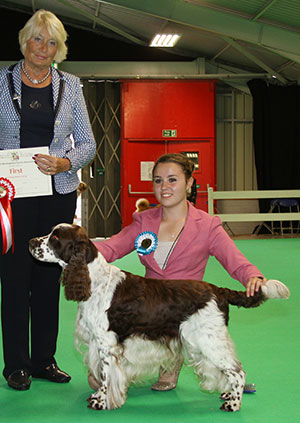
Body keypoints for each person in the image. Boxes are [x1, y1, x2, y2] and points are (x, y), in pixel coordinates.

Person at [94, 153, 266, 392]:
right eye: (158, 180)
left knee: (190, 354)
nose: (164, 187)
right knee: (97, 377)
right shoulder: (143, 221)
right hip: (148, 308)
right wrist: (80, 246)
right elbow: (111, 247)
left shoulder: (207, 226)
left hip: (185, 310)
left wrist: (253, 277)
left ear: (189, 183)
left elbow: (235, 261)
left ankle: (179, 361)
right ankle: (144, 357)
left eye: (172, 180)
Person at [0, 10, 96, 391]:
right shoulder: (1, 81)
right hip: (12, 197)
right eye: (37, 39)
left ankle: (44, 360)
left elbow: (88, 143)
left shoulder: (71, 85)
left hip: (57, 193)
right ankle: (16, 366)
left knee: (46, 279)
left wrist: (65, 162)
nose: (43, 48)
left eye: (52, 41)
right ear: (25, 42)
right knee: (13, 279)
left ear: (60, 49)